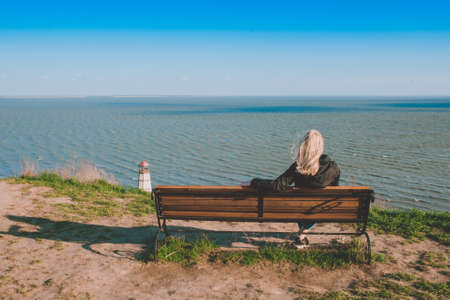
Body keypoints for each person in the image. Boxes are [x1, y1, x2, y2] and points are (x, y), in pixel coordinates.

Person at [250, 129, 340, 247]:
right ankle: (302, 235)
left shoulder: (298, 168)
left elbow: (277, 186)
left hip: (300, 208)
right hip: (324, 209)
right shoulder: (333, 168)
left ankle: (302, 234)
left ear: (304, 146)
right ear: (320, 146)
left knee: (303, 204)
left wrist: (254, 182)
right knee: (315, 203)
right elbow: (335, 189)